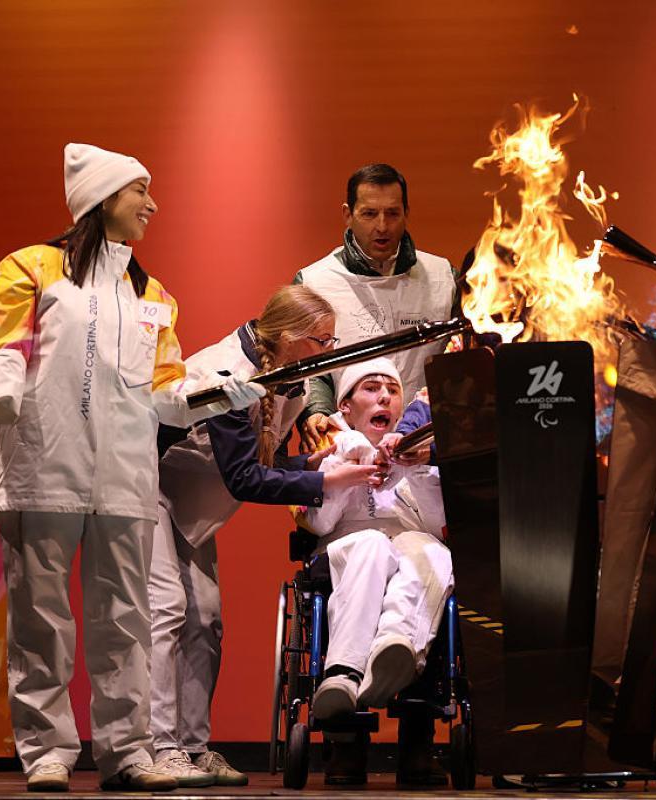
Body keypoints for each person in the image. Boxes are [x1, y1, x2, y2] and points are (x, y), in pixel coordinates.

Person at [0, 144, 261, 792]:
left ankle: (126, 752)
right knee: (40, 618)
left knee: (126, 622)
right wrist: (2, 388)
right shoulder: (29, 267)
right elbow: (5, 343)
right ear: (103, 197)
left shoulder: (151, 294)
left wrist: (224, 392)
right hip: (43, 466)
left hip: (125, 478)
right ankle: (48, 753)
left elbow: (167, 392)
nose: (152, 204)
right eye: (140, 191)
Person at [148, 285, 375, 786]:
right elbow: (244, 478)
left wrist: (311, 464)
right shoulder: (228, 376)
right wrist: (325, 483)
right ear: (289, 338)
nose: (328, 351)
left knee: (205, 620)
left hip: (190, 503)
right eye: (321, 341)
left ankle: (192, 746)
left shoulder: (289, 377)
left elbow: (263, 462)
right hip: (151, 488)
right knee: (166, 610)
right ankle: (159, 747)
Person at [299, 358, 452, 786]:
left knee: (434, 554)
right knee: (373, 544)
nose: (384, 396)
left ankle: (396, 649)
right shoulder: (331, 448)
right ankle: (343, 679)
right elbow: (319, 524)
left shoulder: (418, 449)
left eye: (392, 389)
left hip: (408, 548)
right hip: (348, 553)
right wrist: (345, 470)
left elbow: (436, 524)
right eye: (371, 388)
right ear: (345, 407)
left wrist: (416, 469)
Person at [293, 163, 455, 453]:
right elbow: (306, 367)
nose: (382, 226)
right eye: (369, 214)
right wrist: (315, 411)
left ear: (406, 213)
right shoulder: (314, 282)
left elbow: (459, 363)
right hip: (345, 448)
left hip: (426, 446)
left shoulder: (444, 278)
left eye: (392, 213)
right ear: (348, 214)